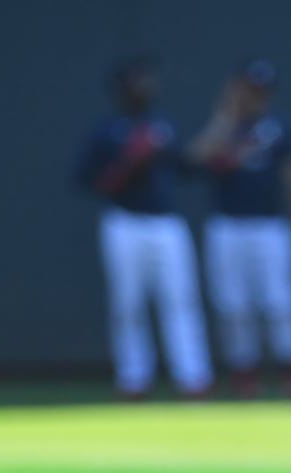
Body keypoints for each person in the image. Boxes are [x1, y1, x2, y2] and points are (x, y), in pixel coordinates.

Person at [74, 55, 213, 401]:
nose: (146, 87)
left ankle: (192, 377)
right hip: (124, 222)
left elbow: (185, 166)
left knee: (181, 300)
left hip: (166, 223)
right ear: (121, 88)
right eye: (138, 81)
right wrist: (128, 161)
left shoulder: (162, 125)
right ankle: (133, 378)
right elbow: (86, 180)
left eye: (149, 80)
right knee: (128, 303)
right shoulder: (106, 130)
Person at [187, 59, 291, 399]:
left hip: (271, 227)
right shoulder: (224, 126)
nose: (255, 96)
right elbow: (193, 159)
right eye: (249, 88)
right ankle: (244, 373)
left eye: (261, 90)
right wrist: (224, 117)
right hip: (227, 226)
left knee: (282, 302)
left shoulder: (279, 127)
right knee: (233, 304)